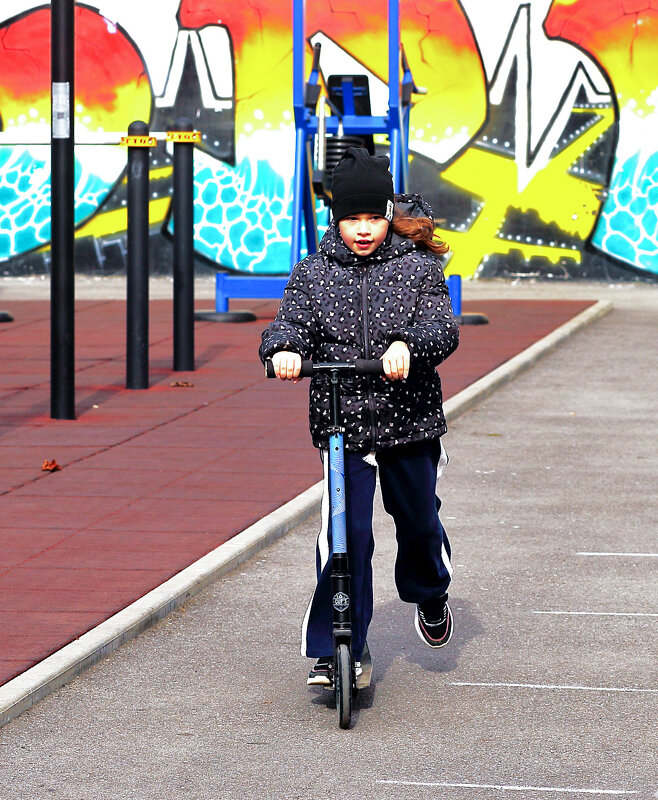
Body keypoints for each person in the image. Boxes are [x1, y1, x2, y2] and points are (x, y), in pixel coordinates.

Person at [259, 147, 460, 687]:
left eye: (373, 217)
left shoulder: (418, 269)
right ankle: (338, 643)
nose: (364, 229)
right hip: (342, 422)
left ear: (388, 214)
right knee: (345, 536)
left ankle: (430, 592)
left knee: (417, 522)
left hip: (408, 421)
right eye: (353, 218)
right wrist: (283, 351)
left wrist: (408, 348)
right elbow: (289, 326)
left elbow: (443, 329)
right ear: (335, 218)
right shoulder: (313, 273)